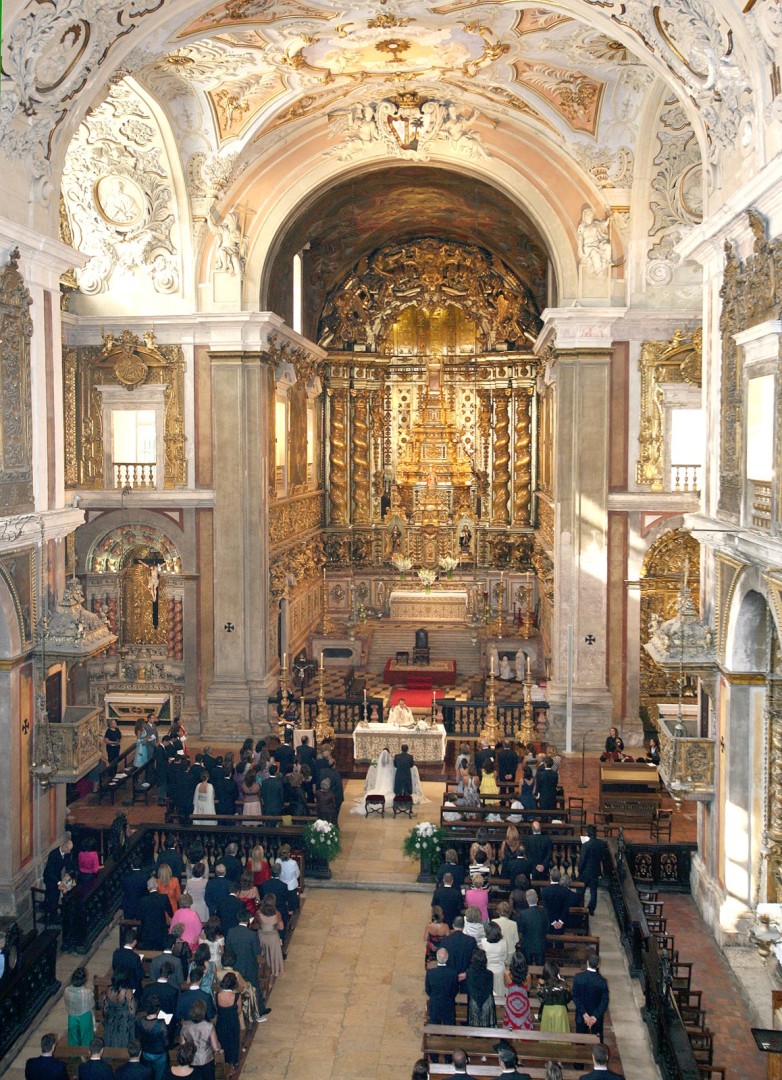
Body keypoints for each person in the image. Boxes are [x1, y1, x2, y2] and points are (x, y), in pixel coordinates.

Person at [180, 998, 220, 1080]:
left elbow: (182, 1043)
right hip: (206, 1060)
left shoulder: (185, 1025)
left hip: (191, 1059)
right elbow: (215, 1048)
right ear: (203, 1012)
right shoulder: (209, 1026)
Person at [572, 953, 609, 1041]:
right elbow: (604, 1002)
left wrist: (584, 1014)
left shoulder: (578, 978)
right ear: (598, 965)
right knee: (597, 1042)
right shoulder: (602, 981)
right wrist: (594, 1017)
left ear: (587, 963)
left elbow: (575, 997)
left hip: (581, 1016)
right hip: (596, 1019)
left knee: (580, 1042)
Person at [42, 834, 76, 922]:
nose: (69, 852)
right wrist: (59, 882)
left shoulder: (66, 854)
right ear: (64, 847)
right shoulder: (53, 854)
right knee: (54, 896)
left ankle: (65, 911)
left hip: (57, 875)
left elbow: (68, 865)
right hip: (50, 878)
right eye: (68, 850)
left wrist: (69, 873)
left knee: (69, 889)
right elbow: (50, 871)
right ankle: (53, 916)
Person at [136, 995, 170, 1080]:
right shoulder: (161, 1024)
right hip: (159, 1056)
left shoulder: (140, 1021)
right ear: (158, 1009)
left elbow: (138, 1037)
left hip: (145, 1053)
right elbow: (166, 1042)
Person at [578, 825, 609, 916]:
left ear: (587, 833)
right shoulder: (601, 844)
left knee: (581, 890)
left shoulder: (586, 845)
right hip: (595, 870)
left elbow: (582, 859)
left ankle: (580, 907)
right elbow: (603, 857)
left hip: (585, 871)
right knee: (593, 891)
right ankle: (591, 909)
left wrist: (580, 870)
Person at [101, 971, 137, 1048]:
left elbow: (105, 1008)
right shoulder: (127, 991)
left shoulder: (108, 990)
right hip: (124, 1022)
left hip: (111, 1021)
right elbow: (132, 1011)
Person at [215, 972, 241, 1068]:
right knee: (233, 1042)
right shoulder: (236, 996)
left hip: (221, 1022)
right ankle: (234, 1062)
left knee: (222, 1041)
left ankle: (223, 1061)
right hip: (233, 1022)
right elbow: (239, 1010)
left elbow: (216, 1009)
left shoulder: (217, 995)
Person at [425, 948, 458, 1023]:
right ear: (447, 957)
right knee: (449, 1028)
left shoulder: (430, 973)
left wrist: (434, 996)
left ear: (437, 958)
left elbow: (428, 989)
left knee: (434, 1028)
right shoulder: (453, 973)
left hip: (435, 1006)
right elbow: (455, 990)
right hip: (449, 1006)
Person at [537, 960, 571, 1032]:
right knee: (562, 1034)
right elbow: (568, 998)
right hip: (560, 1011)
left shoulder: (542, 985)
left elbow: (541, 998)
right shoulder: (563, 984)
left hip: (547, 1010)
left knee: (546, 1034)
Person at [465, 948, 496, 1027]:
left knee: (474, 1026)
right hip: (486, 1002)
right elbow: (489, 989)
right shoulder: (489, 974)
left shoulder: (469, 973)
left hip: (474, 1002)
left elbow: (469, 989)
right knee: (486, 1026)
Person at [517, 890, 549, 965]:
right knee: (540, 967)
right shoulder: (544, 912)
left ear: (527, 899)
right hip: (540, 943)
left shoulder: (523, 914)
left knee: (528, 966)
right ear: (537, 899)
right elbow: (547, 928)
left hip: (527, 944)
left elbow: (520, 929)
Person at [64, 967, 94, 1046]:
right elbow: (92, 1004)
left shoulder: (66, 990)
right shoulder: (88, 992)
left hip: (72, 1016)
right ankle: (86, 1051)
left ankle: (73, 1052)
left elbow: (66, 1004)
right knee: (86, 1038)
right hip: (84, 1016)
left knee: (73, 1038)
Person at [503, 952, 532, 1031]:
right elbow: (528, 989)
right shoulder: (528, 976)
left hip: (511, 1002)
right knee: (523, 1023)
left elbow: (506, 985)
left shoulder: (507, 974)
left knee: (510, 1023)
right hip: (523, 1003)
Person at [442, 915, 477, 980]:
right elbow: (475, 959)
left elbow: (442, 959)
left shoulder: (445, 940)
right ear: (464, 926)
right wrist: (467, 973)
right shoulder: (471, 941)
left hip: (450, 976)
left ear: (453, 925)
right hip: (466, 976)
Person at [257, 893, 284, 977]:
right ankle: (274, 970)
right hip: (273, 938)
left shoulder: (258, 913)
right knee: (274, 954)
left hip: (262, 937)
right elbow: (281, 927)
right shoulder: (277, 914)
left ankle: (264, 969)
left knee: (264, 953)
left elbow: (257, 925)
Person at [480, 920, 509, 999]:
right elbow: (505, 957)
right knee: (500, 992)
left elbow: (483, 957)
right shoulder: (504, 942)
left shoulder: (483, 942)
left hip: (488, 968)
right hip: (500, 969)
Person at [113, 926, 145, 992]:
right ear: (135, 942)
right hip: (132, 987)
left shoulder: (116, 953)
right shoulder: (135, 957)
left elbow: (114, 968)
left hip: (118, 985)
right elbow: (140, 975)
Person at [542, 867, 572, 935]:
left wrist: (553, 922)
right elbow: (566, 907)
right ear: (560, 878)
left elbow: (546, 908)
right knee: (560, 938)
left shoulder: (545, 890)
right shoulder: (565, 891)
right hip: (561, 921)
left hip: (549, 920)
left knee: (549, 938)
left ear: (550, 877)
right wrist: (560, 921)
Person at [275, 844, 300, 912]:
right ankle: (293, 909)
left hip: (281, 884)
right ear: (289, 853)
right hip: (291, 886)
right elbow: (297, 874)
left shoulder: (277, 861)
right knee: (293, 900)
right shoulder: (293, 863)